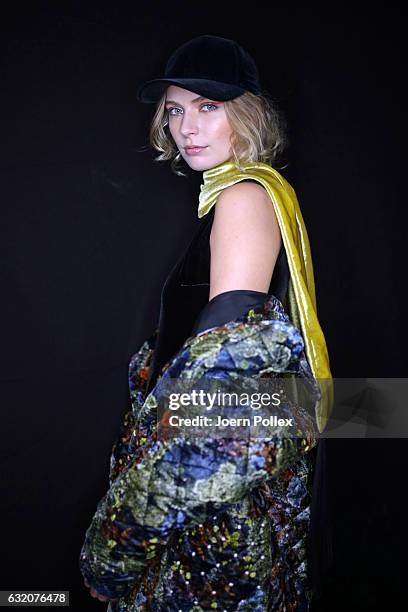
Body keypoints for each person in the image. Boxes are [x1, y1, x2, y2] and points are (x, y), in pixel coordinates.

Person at [79, 35, 333, 611]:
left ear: (246, 114)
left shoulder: (244, 196)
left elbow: (221, 407)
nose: (187, 127)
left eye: (208, 107)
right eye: (175, 110)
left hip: (215, 530)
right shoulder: (261, 193)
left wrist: (115, 551)